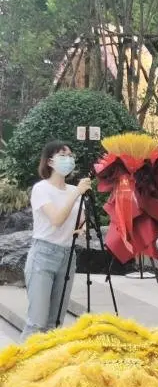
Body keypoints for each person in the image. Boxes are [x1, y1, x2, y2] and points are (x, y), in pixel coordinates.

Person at [21, 141, 92, 340]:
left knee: (55, 324)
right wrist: (77, 192)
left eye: (70, 156)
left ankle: (48, 367)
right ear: (50, 161)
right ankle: (19, 367)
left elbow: (81, 220)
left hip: (67, 256)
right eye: (63, 155)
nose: (68, 159)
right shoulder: (41, 189)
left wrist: (83, 228)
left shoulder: (73, 190)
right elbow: (57, 220)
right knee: (37, 323)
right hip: (43, 256)